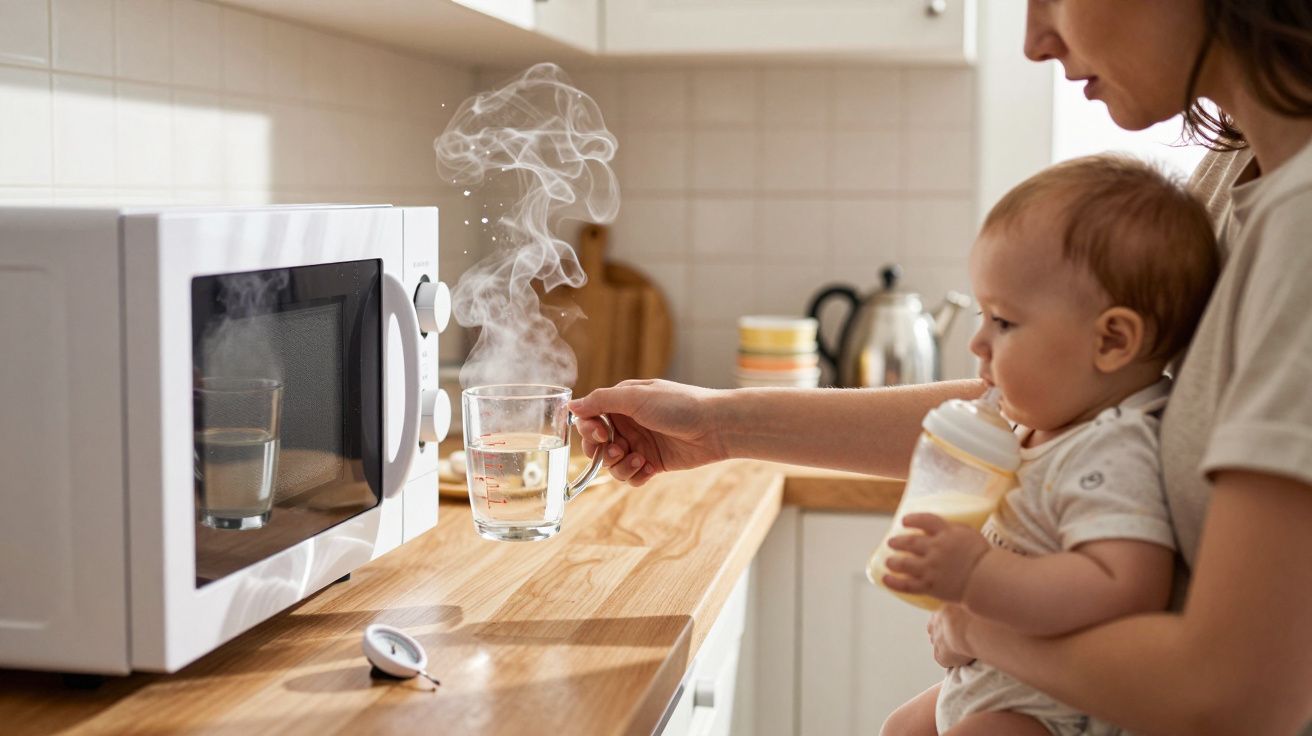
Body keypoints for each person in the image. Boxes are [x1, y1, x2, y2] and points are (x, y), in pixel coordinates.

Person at [570, 2, 1312, 732]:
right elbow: (1057, 412)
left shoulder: (1301, 226)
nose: (1032, 39)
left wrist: (978, 622)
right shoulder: (1229, 178)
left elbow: (1232, 693)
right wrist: (717, 426)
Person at [878, 154, 1219, 736]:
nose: (979, 343)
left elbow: (1126, 585)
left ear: (1111, 340)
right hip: (998, 680)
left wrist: (978, 578)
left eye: (1004, 322)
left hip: (1050, 712)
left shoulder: (1113, 448)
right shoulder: (1043, 422)